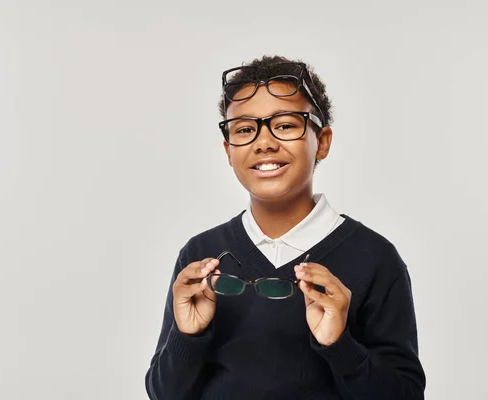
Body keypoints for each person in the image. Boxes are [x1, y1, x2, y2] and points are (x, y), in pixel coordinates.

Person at [145, 55, 426, 399]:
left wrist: (340, 345)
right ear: (228, 150)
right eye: (245, 130)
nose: (264, 142)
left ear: (322, 141)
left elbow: (406, 394)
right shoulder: (201, 254)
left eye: (285, 125)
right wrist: (186, 337)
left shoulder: (375, 258)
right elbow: (163, 393)